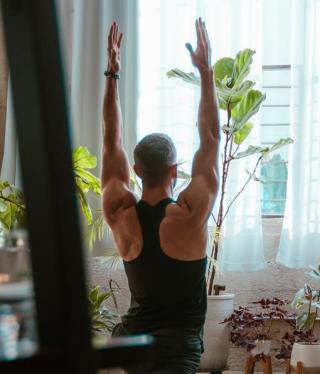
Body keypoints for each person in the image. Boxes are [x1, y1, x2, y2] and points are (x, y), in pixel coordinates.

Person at [101, 19, 220, 374]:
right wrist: (205, 71)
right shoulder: (190, 213)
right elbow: (211, 138)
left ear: (136, 171)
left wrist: (112, 73)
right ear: (175, 170)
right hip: (177, 350)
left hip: (132, 343)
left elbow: (111, 140)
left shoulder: (120, 211)